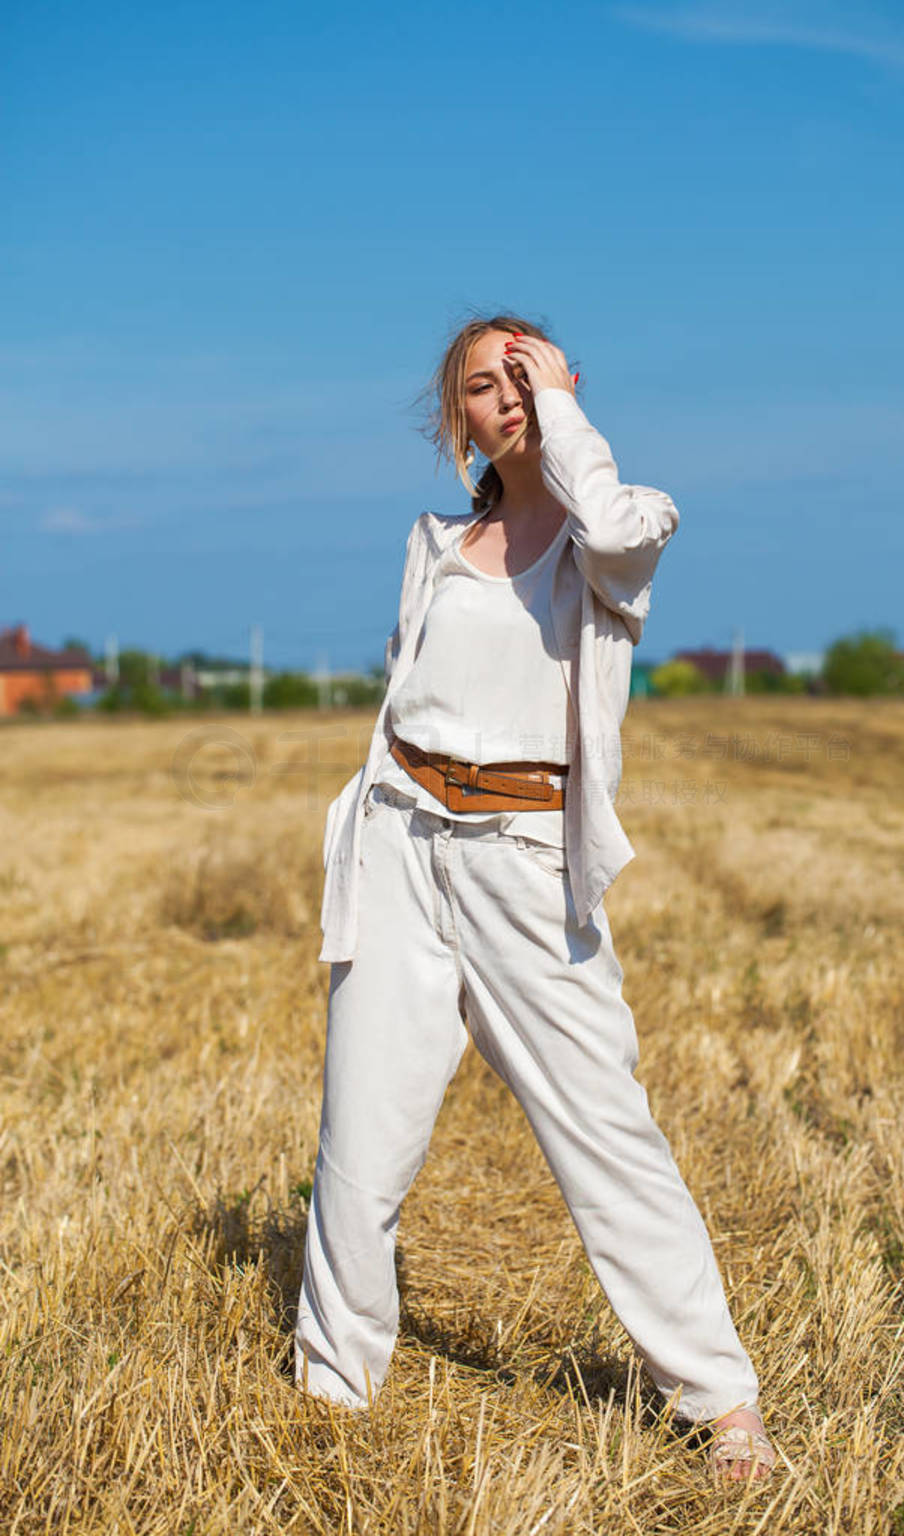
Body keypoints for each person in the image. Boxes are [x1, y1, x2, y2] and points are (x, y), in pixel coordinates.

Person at [294, 313, 776, 1481]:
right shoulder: (429, 542)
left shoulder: (622, 532)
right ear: (452, 414)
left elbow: (603, 519)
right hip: (403, 845)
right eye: (480, 382)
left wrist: (562, 413)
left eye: (524, 373)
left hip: (521, 863)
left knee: (606, 1136)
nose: (503, 393)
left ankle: (720, 1405)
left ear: (563, 388)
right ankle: (330, 1391)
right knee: (360, 1141)